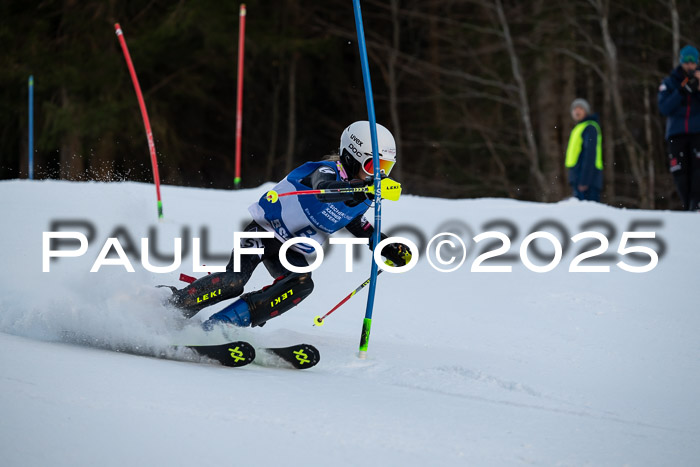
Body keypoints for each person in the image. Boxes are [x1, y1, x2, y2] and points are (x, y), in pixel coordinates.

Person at [165, 121, 412, 329]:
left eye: (385, 169)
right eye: (373, 167)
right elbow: (323, 191)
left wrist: (386, 246)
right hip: (263, 232)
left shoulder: (364, 195)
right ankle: (173, 307)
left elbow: (359, 226)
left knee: (300, 285)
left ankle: (222, 326)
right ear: (350, 157)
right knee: (234, 281)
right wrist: (363, 189)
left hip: (292, 248)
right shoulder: (324, 172)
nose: (379, 176)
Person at [658, 44, 700, 211]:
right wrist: (682, 91)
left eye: (693, 62)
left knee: (698, 171)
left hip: (697, 132)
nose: (689, 66)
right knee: (680, 172)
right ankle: (686, 205)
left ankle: (696, 204)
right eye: (686, 62)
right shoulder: (670, 82)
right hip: (676, 133)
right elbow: (664, 108)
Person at [565, 98, 603, 202]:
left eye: (580, 108)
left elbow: (590, 154)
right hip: (579, 178)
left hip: (587, 181)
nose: (577, 111)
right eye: (575, 109)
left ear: (586, 111)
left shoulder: (590, 127)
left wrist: (585, 181)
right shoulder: (579, 127)